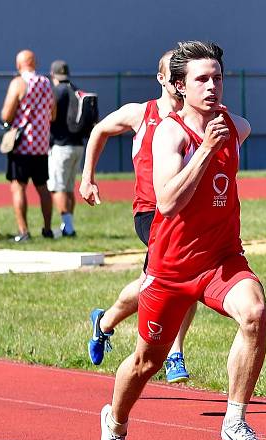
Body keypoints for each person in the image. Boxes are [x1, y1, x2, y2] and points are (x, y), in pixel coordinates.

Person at [100, 41, 266, 440]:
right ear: (181, 85)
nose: (213, 86)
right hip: (172, 268)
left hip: (222, 258)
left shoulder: (233, 124)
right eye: (202, 79)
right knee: (146, 362)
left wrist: (221, 141)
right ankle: (115, 424)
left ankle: (235, 419)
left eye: (218, 77)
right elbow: (169, 202)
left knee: (254, 313)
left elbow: (243, 128)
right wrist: (207, 151)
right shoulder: (170, 133)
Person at [79, 50, 196, 383]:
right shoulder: (141, 113)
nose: (179, 80)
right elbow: (99, 131)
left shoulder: (195, 117)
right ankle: (175, 354)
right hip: (150, 212)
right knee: (183, 277)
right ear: (162, 79)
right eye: (173, 74)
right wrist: (88, 177)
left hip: (187, 212)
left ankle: (104, 322)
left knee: (156, 283)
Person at [0, 50, 55, 242]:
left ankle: (23, 231)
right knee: (43, 188)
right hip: (41, 145)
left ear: (19, 64)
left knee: (18, 187)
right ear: (35, 62)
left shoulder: (18, 83)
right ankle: (47, 229)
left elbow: (6, 114)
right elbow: (53, 114)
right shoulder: (46, 83)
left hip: (22, 145)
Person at [48, 60, 85, 237]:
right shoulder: (75, 89)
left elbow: (50, 116)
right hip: (78, 145)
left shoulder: (55, 92)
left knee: (58, 187)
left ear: (52, 74)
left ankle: (68, 228)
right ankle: (68, 225)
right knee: (69, 188)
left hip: (61, 146)